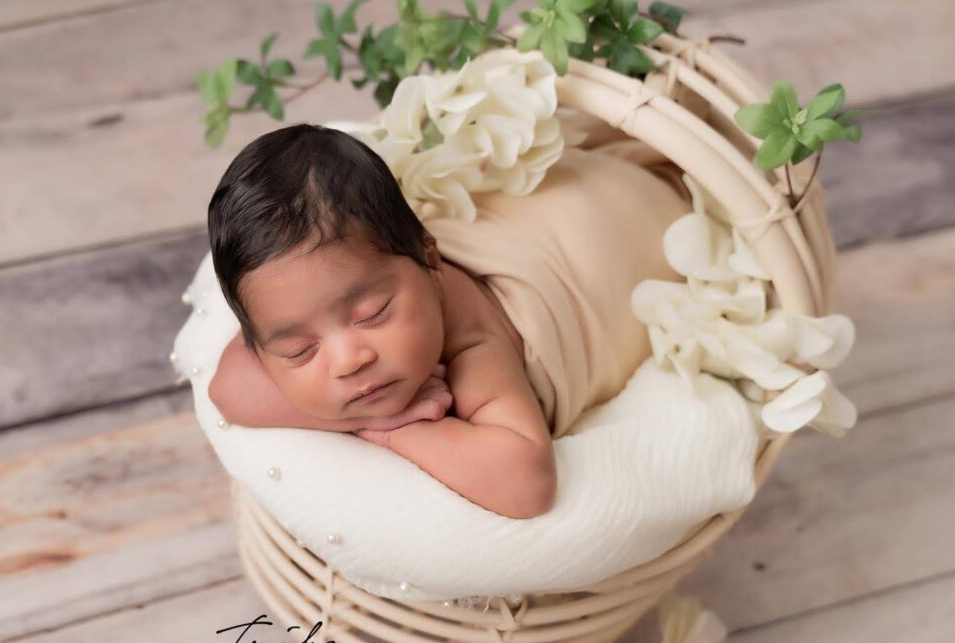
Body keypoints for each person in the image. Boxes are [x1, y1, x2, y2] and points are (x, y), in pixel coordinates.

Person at [206, 123, 689, 519]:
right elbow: (228, 390)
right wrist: (376, 413)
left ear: (430, 263)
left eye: (372, 314)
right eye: (300, 350)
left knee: (649, 219)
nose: (348, 360)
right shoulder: (302, 299)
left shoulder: (473, 340)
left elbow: (526, 483)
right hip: (561, 217)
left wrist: (397, 431)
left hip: (629, 227)